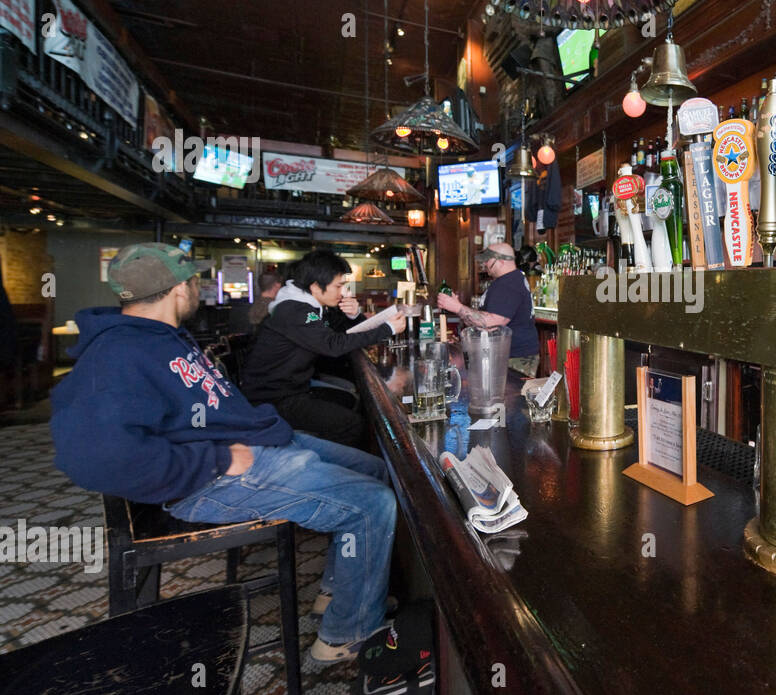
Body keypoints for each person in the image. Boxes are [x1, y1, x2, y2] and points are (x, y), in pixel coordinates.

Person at [49, 243, 401, 663]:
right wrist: (217, 459)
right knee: (372, 503)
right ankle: (347, 633)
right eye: (195, 281)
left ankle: (341, 591)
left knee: (377, 470)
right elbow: (93, 457)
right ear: (181, 288)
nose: (198, 289)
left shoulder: (162, 336)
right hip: (213, 477)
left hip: (256, 440)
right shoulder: (116, 353)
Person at [240, 250, 401, 448]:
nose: (343, 292)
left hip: (292, 388)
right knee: (351, 423)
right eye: (339, 286)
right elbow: (333, 345)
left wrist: (354, 315)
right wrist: (388, 328)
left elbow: (337, 333)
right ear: (316, 286)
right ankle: (334, 467)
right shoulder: (294, 310)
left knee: (349, 400)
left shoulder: (306, 306)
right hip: (271, 399)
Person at [436, 242, 540, 377]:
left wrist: (457, 307)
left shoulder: (509, 284)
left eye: (487, 260)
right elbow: (482, 319)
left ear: (501, 261)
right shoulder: (506, 281)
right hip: (507, 355)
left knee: (512, 396)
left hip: (515, 358)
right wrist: (459, 308)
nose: (484, 264)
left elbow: (492, 323)